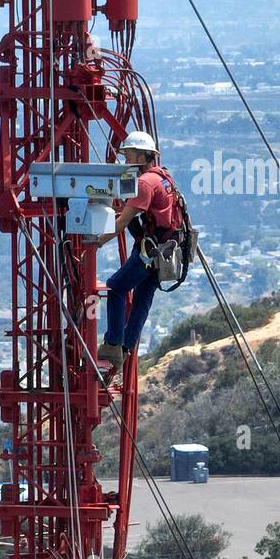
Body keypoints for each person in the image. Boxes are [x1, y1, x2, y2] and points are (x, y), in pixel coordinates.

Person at [96, 131, 184, 381]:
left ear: (141, 156)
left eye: (129, 155)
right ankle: (126, 347)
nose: (126, 161)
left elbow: (123, 222)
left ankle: (113, 344)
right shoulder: (163, 177)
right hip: (167, 248)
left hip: (152, 249)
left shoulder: (146, 182)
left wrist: (96, 244)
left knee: (115, 287)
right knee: (144, 295)